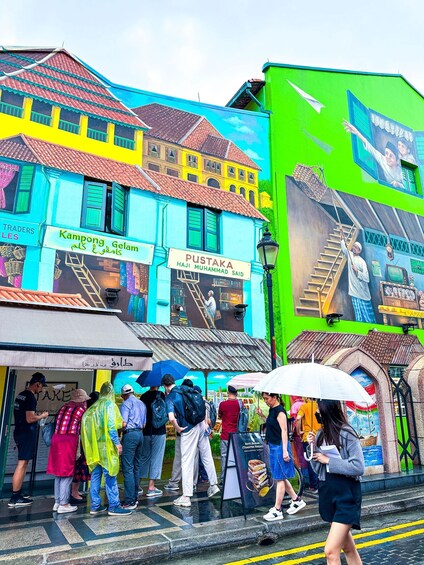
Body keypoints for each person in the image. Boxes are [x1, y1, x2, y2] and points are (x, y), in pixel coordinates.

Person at [308, 400, 365, 565]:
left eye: (319, 411)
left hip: (346, 495)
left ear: (327, 412)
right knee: (348, 548)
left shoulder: (347, 433)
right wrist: (312, 447)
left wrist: (329, 460)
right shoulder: (320, 434)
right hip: (328, 493)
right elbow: (317, 469)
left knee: (331, 551)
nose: (317, 414)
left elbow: (358, 467)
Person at [162, 374, 219, 507]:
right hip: (200, 425)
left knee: (186, 461)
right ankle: (213, 485)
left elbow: (171, 418)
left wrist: (178, 428)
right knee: (207, 456)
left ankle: (186, 496)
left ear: (165, 386)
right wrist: (204, 424)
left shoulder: (171, 397)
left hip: (188, 429)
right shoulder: (186, 389)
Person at [81, 382, 132, 516]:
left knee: (95, 476)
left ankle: (95, 506)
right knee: (110, 475)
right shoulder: (109, 405)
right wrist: (117, 443)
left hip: (94, 449)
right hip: (107, 447)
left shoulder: (93, 407)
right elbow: (111, 426)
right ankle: (114, 506)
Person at [257, 392, 306, 521]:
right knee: (281, 477)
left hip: (279, 446)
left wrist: (284, 450)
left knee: (279, 478)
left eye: (267, 398)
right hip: (274, 446)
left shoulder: (280, 411)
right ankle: (296, 500)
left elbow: (284, 430)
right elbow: (272, 426)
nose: (266, 401)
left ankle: (277, 509)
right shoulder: (272, 410)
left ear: (274, 397)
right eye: (264, 399)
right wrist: (262, 416)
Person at [8, 372, 49, 508]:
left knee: (23, 463)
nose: (41, 389)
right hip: (26, 433)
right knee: (22, 463)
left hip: (19, 431)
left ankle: (18, 491)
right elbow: (30, 418)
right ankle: (14, 497)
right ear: (37, 384)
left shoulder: (21, 395)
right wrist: (42, 415)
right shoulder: (30, 397)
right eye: (41, 386)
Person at [46, 388, 90, 513]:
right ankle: (64, 504)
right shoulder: (81, 410)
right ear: (81, 400)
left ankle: (57, 502)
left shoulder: (63, 407)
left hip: (56, 439)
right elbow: (84, 427)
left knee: (58, 472)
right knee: (67, 471)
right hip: (68, 440)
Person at [343, 121, 403, 188]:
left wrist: (398, 184)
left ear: (396, 159)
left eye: (391, 155)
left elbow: (408, 187)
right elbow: (370, 148)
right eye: (386, 153)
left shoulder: (401, 171)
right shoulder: (382, 159)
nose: (388, 157)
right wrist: (356, 132)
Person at [119, 384, 146, 509]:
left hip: (130, 435)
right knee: (136, 466)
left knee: (128, 468)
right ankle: (134, 498)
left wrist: (118, 432)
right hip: (140, 434)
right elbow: (144, 424)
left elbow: (123, 423)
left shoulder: (126, 404)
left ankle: (129, 501)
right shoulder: (141, 404)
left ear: (124, 395)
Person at [340, 235, 376, 323]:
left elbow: (367, 278)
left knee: (367, 317)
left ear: (359, 251)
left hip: (363, 293)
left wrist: (357, 271)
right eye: (354, 247)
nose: (354, 248)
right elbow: (344, 249)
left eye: (357, 248)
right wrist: (342, 239)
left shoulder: (362, 262)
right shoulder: (350, 255)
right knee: (358, 315)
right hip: (354, 291)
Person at [71, 391, 99, 501]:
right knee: (79, 468)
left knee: (78, 467)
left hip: (81, 443)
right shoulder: (89, 413)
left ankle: (75, 491)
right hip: (83, 444)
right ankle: (74, 492)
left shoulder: (86, 411)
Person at [139, 386, 166, 498]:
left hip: (145, 431)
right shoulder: (161, 395)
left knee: (144, 458)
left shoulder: (143, 397)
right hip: (159, 430)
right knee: (156, 458)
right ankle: (151, 487)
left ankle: (137, 486)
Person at [296, 397, 321, 493]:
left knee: (311, 461)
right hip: (320, 436)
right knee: (319, 459)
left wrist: (298, 431)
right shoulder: (318, 406)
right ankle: (320, 483)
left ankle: (314, 486)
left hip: (308, 437)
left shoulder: (304, 406)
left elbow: (298, 418)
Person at [218, 385, 242, 483]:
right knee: (236, 456)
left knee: (224, 456)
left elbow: (220, 416)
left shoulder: (223, 404)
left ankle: (224, 478)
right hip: (236, 435)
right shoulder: (240, 404)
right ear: (236, 393)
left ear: (228, 393)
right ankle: (236, 477)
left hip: (225, 435)